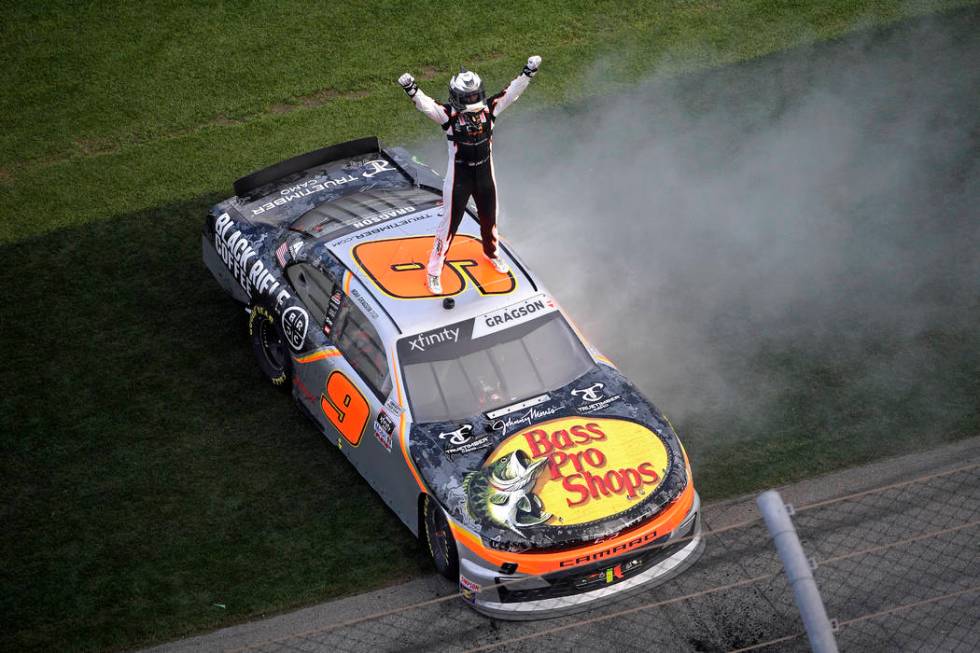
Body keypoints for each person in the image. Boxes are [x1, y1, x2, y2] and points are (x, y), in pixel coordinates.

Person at [398, 55, 542, 295]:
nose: (474, 100)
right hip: (459, 178)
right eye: (469, 97)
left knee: (490, 218)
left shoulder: (490, 109)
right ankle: (434, 269)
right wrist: (411, 90)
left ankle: (491, 253)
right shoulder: (448, 116)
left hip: (485, 172)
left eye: (476, 95)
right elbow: (427, 106)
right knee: (449, 226)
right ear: (457, 97)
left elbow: (511, 93)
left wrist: (528, 72)